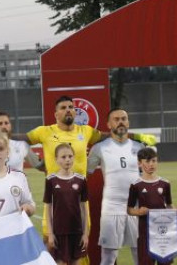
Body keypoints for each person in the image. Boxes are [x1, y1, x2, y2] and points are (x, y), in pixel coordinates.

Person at [14, 95, 156, 245]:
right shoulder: (44, 131)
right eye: (63, 108)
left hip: (79, 196)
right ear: (56, 114)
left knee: (80, 243)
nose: (68, 110)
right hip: (55, 196)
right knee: (50, 242)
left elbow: (110, 135)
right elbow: (21, 140)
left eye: (71, 107)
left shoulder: (86, 131)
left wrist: (137, 136)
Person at [87, 109, 146, 265]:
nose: (120, 122)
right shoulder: (99, 148)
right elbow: (86, 171)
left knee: (139, 252)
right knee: (108, 255)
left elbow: (148, 177)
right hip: (111, 207)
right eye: (116, 119)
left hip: (136, 206)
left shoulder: (140, 147)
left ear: (128, 122)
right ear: (108, 124)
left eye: (124, 118)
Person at [44, 143, 89, 265]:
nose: (67, 159)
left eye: (70, 156)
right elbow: (48, 208)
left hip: (76, 232)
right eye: (63, 157)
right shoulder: (51, 180)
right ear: (56, 159)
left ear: (74, 157)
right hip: (58, 233)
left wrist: (85, 233)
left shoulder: (81, 180)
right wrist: (50, 233)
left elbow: (84, 208)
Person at [128, 147, 173, 265]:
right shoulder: (135, 185)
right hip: (145, 234)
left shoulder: (165, 183)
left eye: (154, 161)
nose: (151, 164)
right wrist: (139, 212)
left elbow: (169, 206)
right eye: (147, 161)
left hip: (163, 233)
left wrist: (174, 213)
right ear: (139, 163)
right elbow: (129, 209)